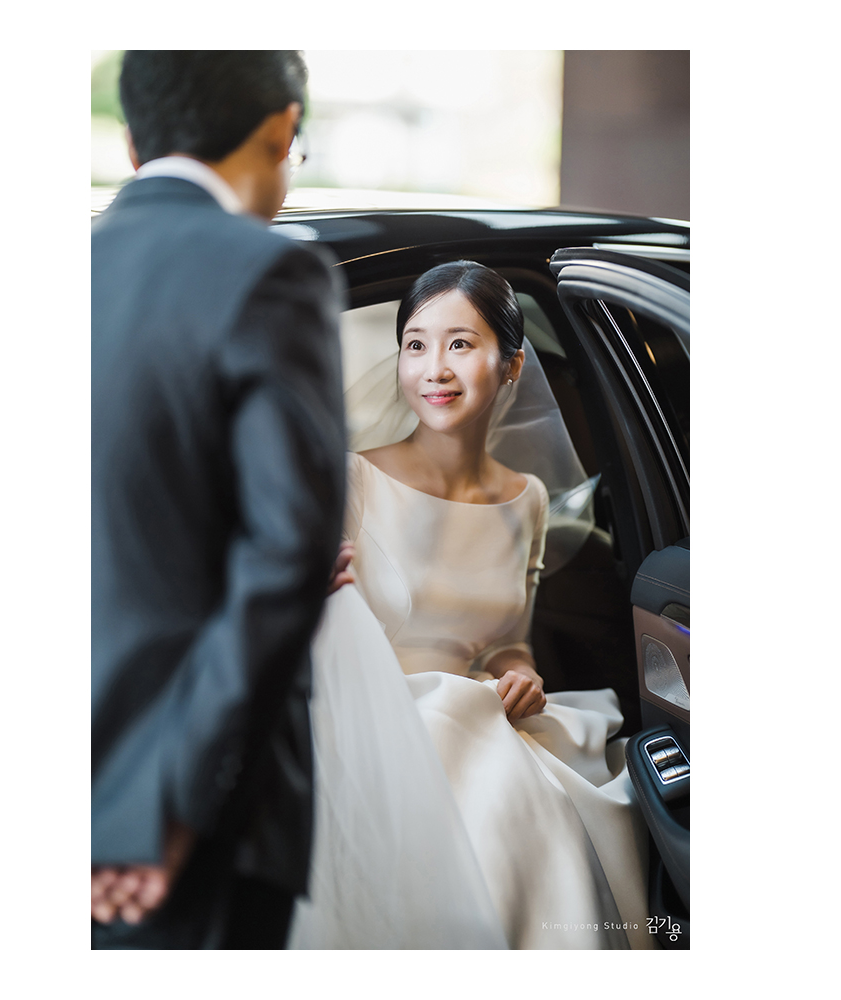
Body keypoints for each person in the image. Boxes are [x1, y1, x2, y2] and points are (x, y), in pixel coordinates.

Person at [288, 261, 654, 950]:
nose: (435, 369)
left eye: (460, 344)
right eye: (416, 345)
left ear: (511, 366)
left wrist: (523, 675)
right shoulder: (349, 480)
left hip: (482, 721)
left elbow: (506, 642)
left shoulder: (528, 500)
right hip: (369, 726)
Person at [91, 51, 347, 949]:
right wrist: (170, 806)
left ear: (135, 141)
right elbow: (289, 550)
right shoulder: (267, 273)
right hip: (186, 820)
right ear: (282, 128)